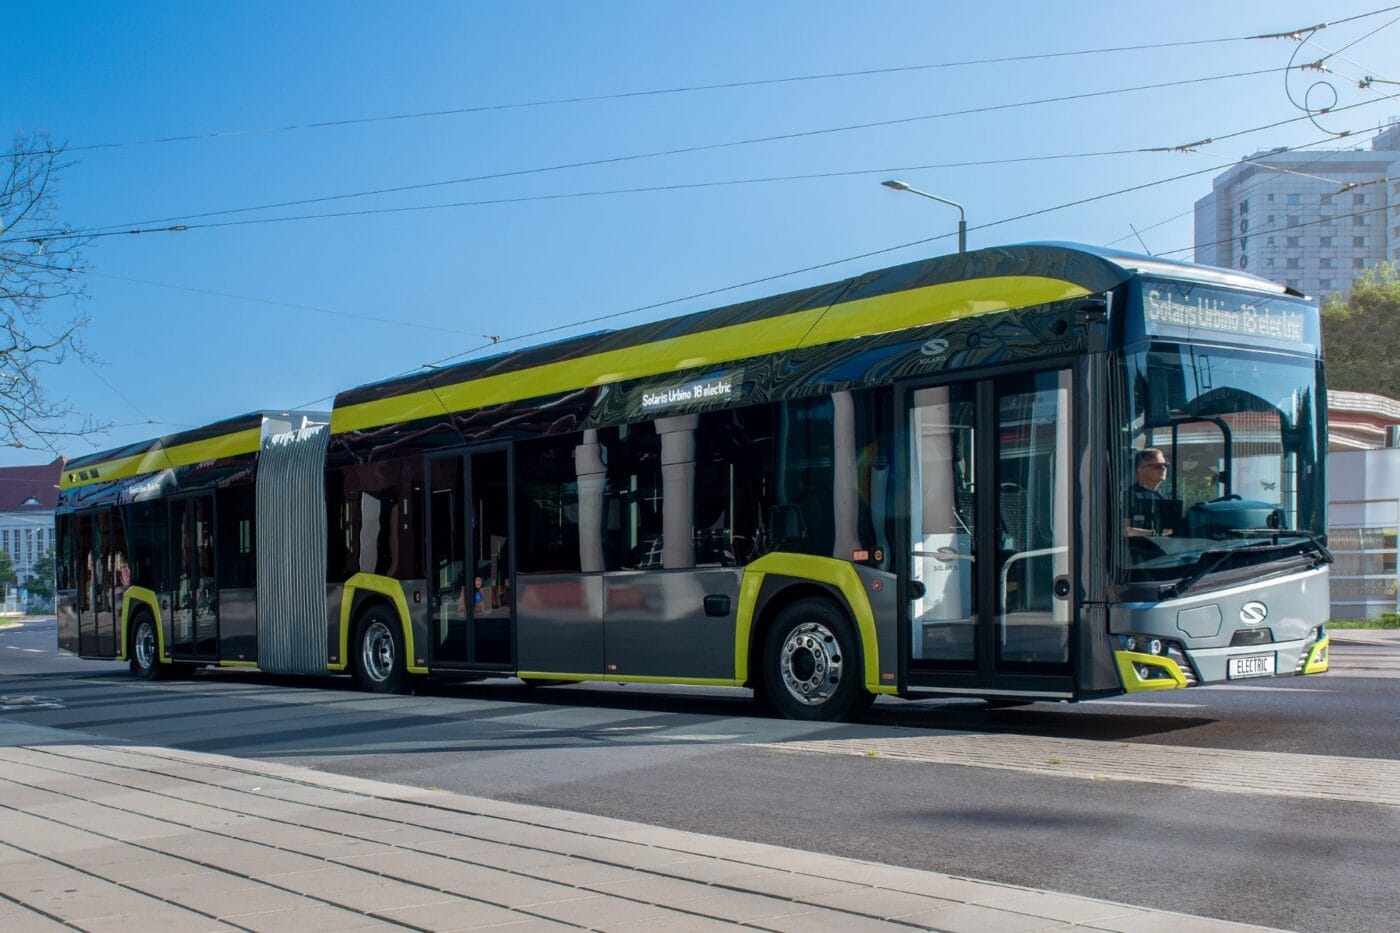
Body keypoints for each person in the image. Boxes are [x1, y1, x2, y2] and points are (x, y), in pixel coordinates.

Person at [1126, 447, 1172, 538]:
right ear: (1140, 469)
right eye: (1157, 466)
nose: (1163, 468)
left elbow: (1169, 529)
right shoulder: (1128, 496)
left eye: (1165, 465)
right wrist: (1154, 533)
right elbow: (1124, 530)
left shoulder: (1163, 496)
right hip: (1136, 546)